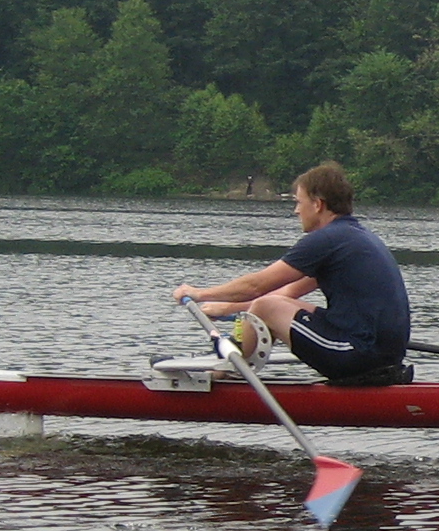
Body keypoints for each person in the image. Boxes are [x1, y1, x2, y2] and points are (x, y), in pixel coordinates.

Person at [175, 162, 411, 382]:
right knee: (270, 304)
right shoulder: (353, 237)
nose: (296, 211)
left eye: (299, 202)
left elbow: (256, 286)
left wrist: (199, 294)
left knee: (266, 306)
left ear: (318, 204)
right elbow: (286, 295)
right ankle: (232, 363)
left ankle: (224, 371)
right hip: (379, 354)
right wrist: (228, 310)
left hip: (357, 356)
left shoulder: (327, 239)